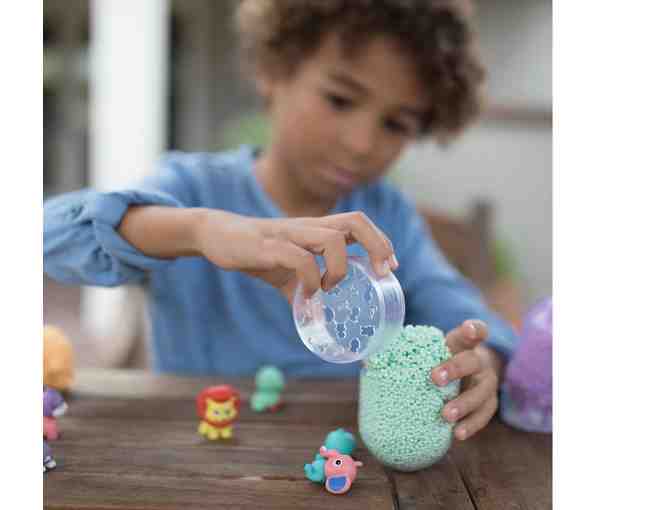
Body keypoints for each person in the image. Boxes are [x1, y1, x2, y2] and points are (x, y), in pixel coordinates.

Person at [44, 0, 518, 441]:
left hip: (341, 455)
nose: (360, 143)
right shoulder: (193, 189)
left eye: (395, 124)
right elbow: (51, 238)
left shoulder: (389, 213)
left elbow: (458, 309)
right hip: (203, 447)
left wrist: (483, 357)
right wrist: (198, 231)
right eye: (340, 99)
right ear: (274, 70)